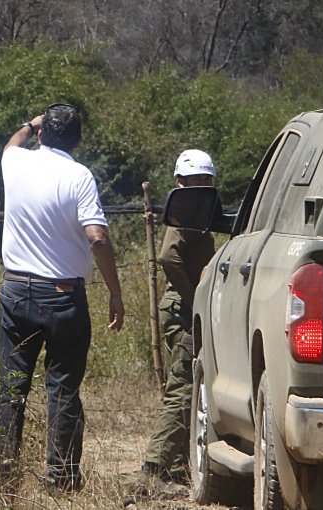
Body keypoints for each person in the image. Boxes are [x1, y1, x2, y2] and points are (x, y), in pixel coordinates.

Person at [0, 103, 125, 493]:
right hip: (63, 298)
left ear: (40, 134)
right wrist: (115, 294)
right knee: (63, 389)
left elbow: (10, 143)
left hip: (16, 292)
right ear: (78, 140)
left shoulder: (15, 163)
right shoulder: (79, 176)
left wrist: (29, 122)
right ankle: (61, 480)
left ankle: (3, 476)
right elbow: (97, 238)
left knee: (12, 387)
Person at [139, 149, 217, 486]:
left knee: (185, 385)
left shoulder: (197, 213)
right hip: (182, 312)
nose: (200, 185)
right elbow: (168, 257)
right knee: (184, 388)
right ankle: (153, 468)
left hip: (184, 310)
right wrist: (194, 297)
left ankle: (177, 464)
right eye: (194, 180)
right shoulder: (183, 215)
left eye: (206, 180)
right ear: (180, 183)